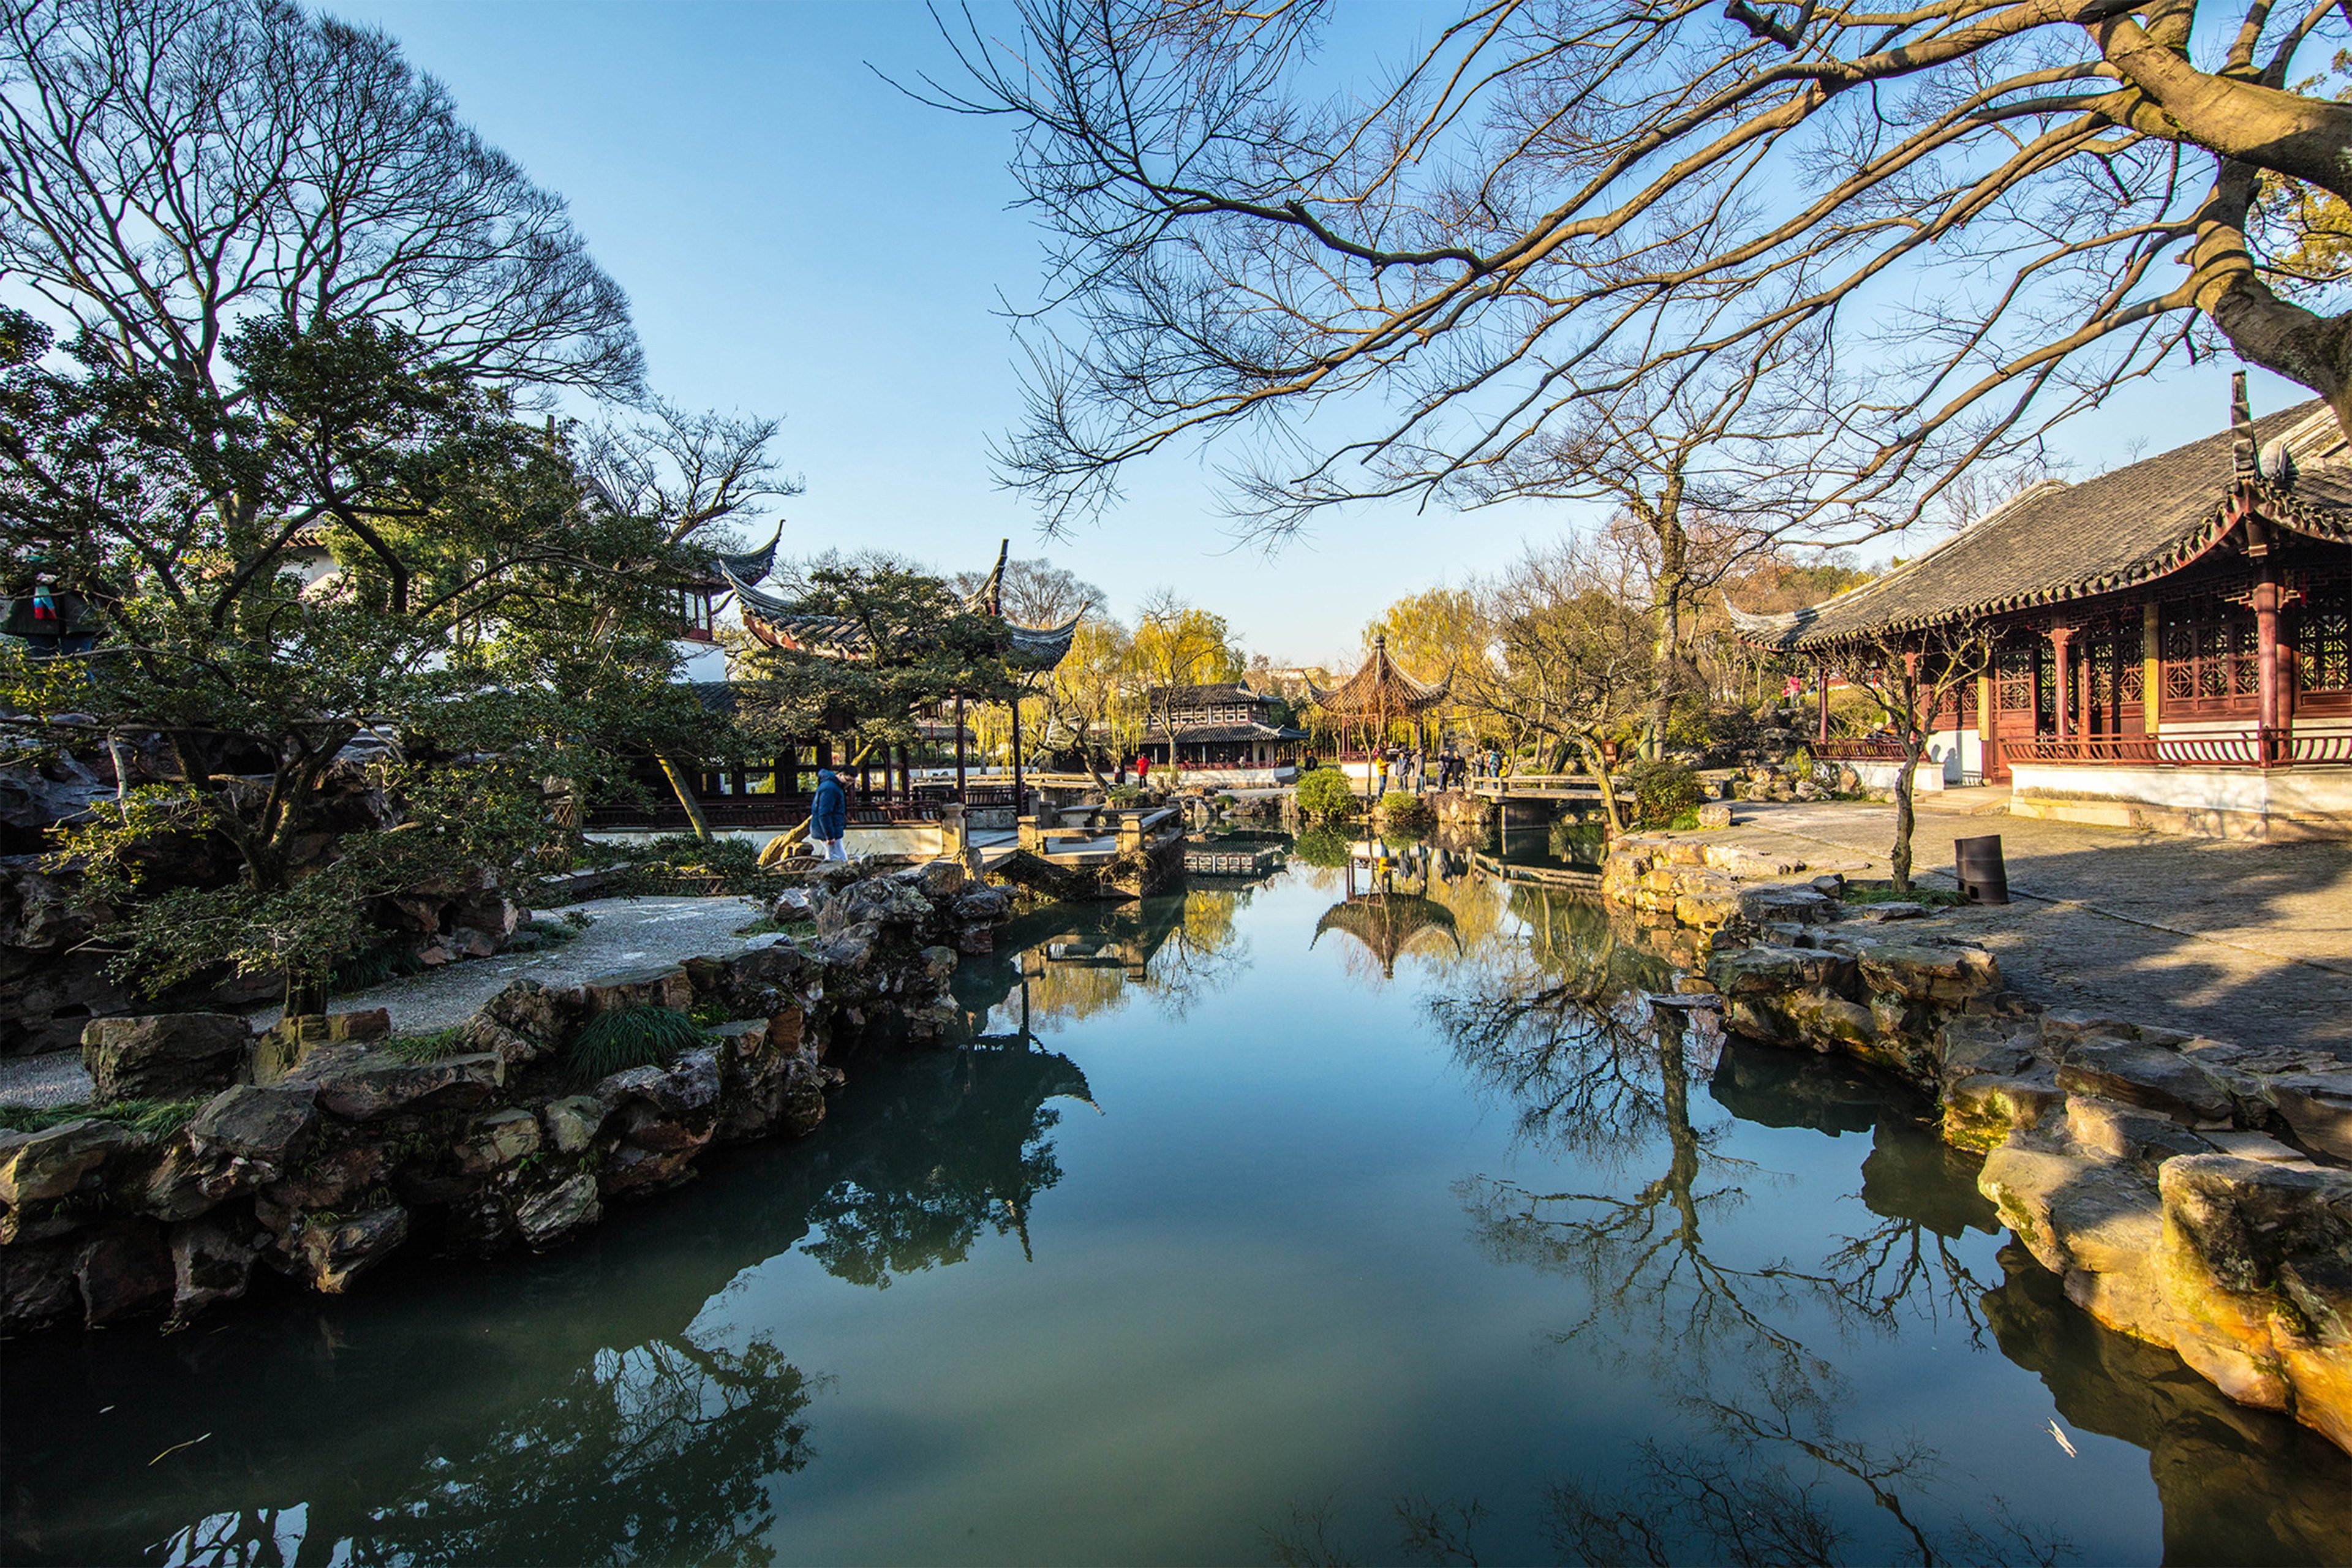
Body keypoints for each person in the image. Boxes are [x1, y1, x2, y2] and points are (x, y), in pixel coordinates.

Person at [809, 766, 848, 861]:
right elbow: (824, 814)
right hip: (829, 828)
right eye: (848, 780)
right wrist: (830, 836)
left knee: (833, 856)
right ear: (841, 775)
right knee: (839, 858)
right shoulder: (831, 788)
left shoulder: (833, 786)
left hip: (830, 827)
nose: (849, 784)